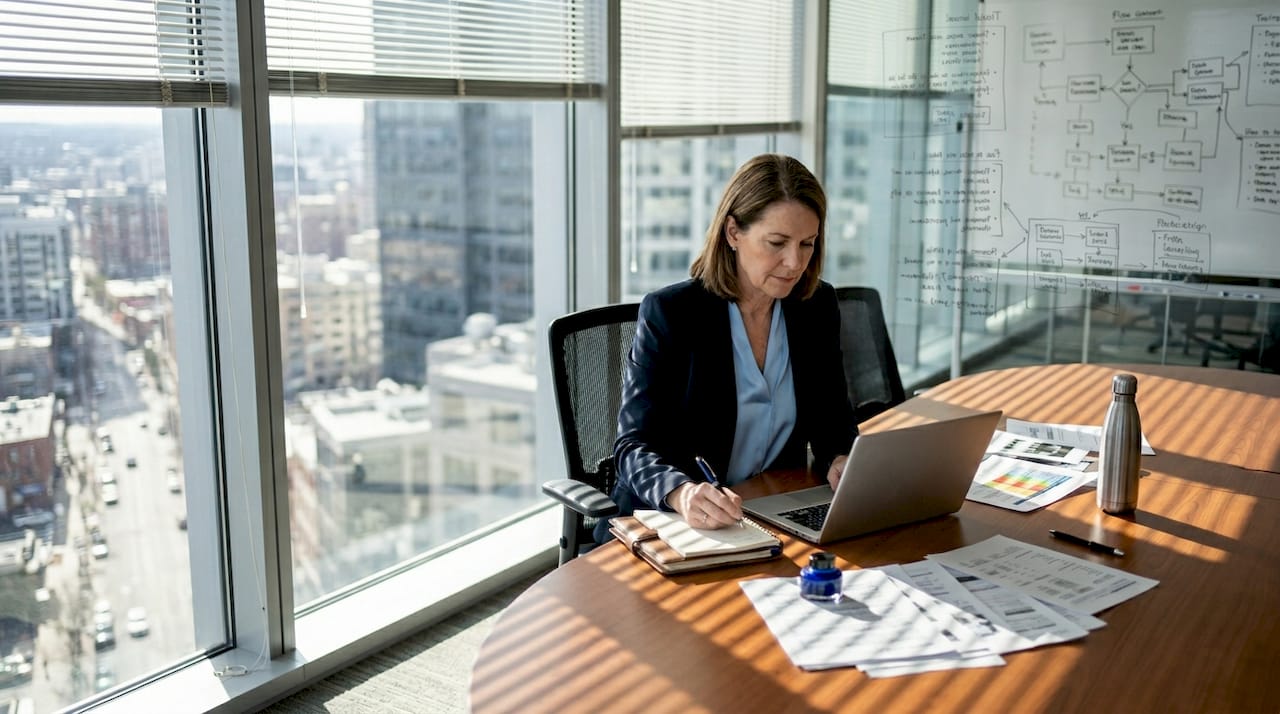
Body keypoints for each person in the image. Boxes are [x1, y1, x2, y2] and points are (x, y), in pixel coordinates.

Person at [609, 153, 857, 535]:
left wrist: (839, 458)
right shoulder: (672, 313)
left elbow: (832, 419)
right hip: (676, 525)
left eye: (807, 244)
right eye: (777, 243)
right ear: (733, 233)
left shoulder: (814, 306)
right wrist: (681, 492)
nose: (795, 263)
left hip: (770, 507)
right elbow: (634, 445)